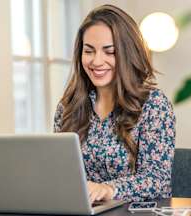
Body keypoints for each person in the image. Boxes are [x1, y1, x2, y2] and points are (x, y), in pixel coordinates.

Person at [54, 4, 175, 203]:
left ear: (128, 54)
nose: (96, 61)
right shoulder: (68, 107)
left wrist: (108, 189)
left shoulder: (153, 105)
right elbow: (61, 176)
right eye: (89, 51)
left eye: (109, 52)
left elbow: (158, 180)